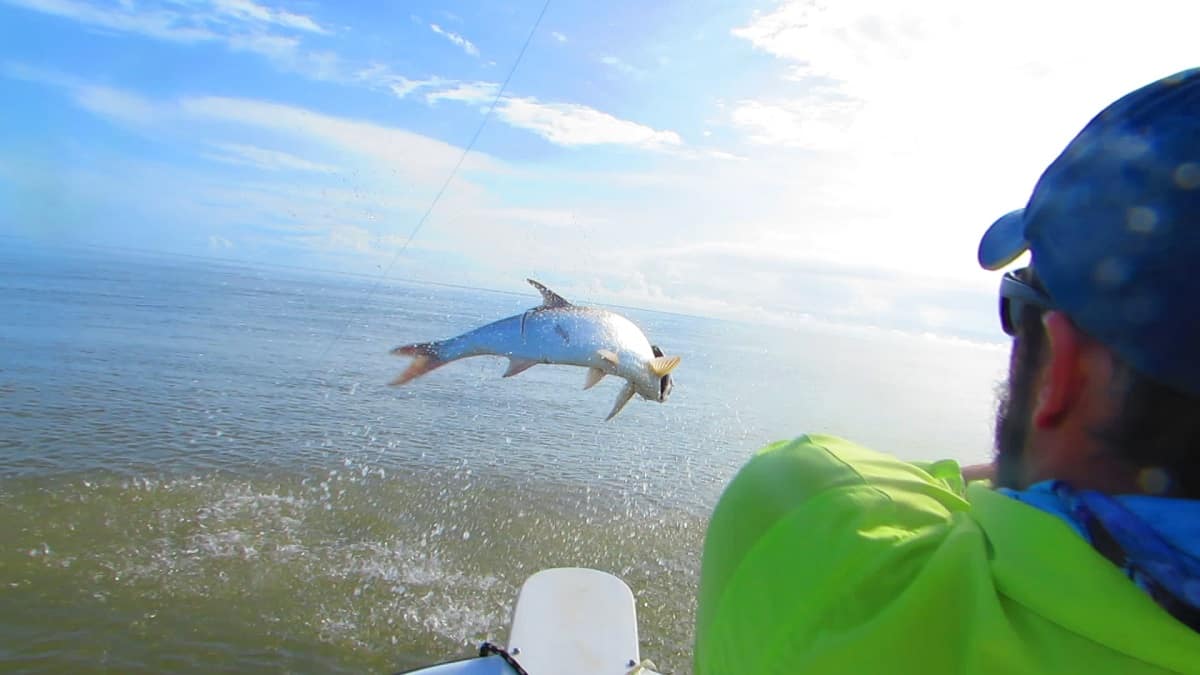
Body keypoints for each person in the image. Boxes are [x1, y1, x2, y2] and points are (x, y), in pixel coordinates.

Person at [694, 68, 1200, 674]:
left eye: (1020, 303)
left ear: (1064, 375)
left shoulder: (811, 527)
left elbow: (842, 481)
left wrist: (1021, 474)